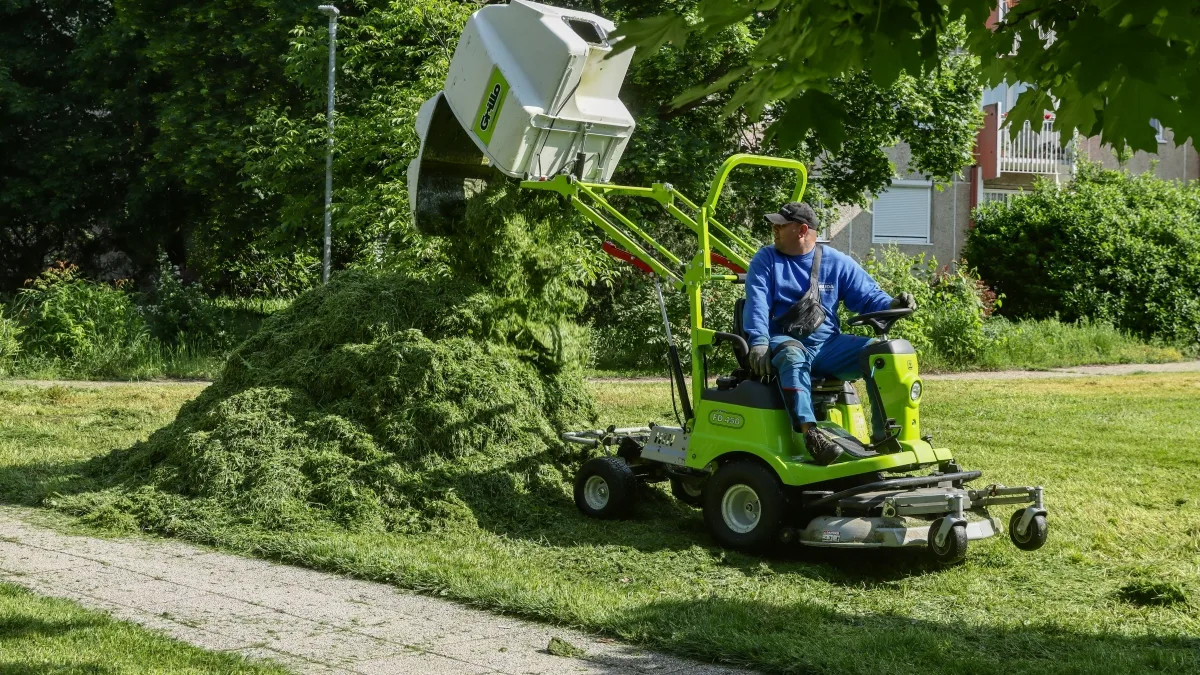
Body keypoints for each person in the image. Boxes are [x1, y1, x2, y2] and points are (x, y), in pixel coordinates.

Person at [742, 201, 915, 465]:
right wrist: (759, 341)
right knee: (792, 355)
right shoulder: (766, 260)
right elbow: (757, 305)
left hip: (828, 346)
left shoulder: (836, 262)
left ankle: (886, 436)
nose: (774, 229)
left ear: (802, 230)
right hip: (784, 342)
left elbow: (869, 298)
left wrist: (892, 304)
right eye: (774, 225)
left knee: (880, 353)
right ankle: (810, 435)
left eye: (781, 225)